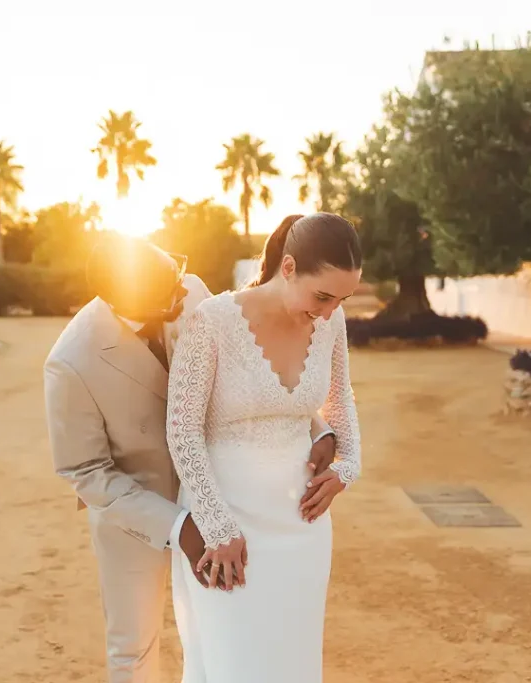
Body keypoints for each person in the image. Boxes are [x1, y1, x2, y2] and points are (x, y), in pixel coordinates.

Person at [42, 233, 339, 683]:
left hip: (225, 498)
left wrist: (320, 428)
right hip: (140, 516)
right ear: (129, 301)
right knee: (133, 648)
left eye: (179, 275)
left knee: (213, 637)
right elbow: (85, 471)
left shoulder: (191, 289)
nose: (185, 292)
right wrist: (179, 526)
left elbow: (249, 382)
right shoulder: (71, 361)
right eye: (171, 293)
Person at [167, 212, 363, 683]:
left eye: (342, 299)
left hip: (303, 529)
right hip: (227, 527)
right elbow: (182, 429)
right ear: (289, 267)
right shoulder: (212, 321)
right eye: (322, 296)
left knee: (291, 664)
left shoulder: (331, 325)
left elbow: (341, 403)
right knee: (232, 664)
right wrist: (217, 525)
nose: (331, 311)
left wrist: (348, 466)